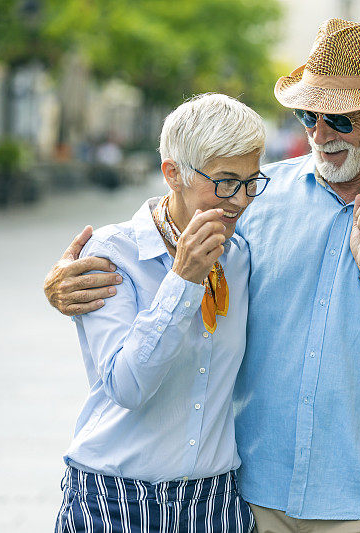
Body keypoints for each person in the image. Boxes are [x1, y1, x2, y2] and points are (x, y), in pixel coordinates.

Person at [45, 19, 360, 532]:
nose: (318, 134)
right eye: (308, 114)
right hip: (251, 502)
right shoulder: (259, 195)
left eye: (339, 119)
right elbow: (177, 214)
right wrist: (67, 278)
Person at [53, 93, 269, 532]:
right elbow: (128, 386)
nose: (241, 200)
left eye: (251, 182)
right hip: (112, 499)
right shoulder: (113, 254)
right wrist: (184, 279)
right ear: (172, 173)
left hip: (213, 503)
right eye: (226, 181)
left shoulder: (243, 256)